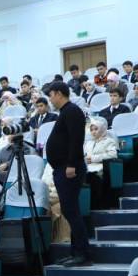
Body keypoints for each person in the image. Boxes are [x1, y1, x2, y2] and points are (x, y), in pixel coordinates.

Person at [45, 81, 91, 266]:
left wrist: (71, 164)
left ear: (58, 93)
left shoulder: (72, 111)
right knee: (69, 210)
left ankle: (83, 253)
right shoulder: (65, 112)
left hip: (69, 168)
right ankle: (75, 251)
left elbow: (76, 140)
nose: (50, 99)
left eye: (51, 95)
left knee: (71, 210)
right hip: (62, 168)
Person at [84, 116, 119, 210]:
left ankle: (97, 205)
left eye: (96, 129)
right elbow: (84, 156)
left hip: (101, 167)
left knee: (91, 176)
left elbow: (113, 155)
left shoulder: (109, 141)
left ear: (102, 129)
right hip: (88, 167)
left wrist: (94, 158)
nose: (93, 132)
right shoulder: (88, 143)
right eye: (91, 130)